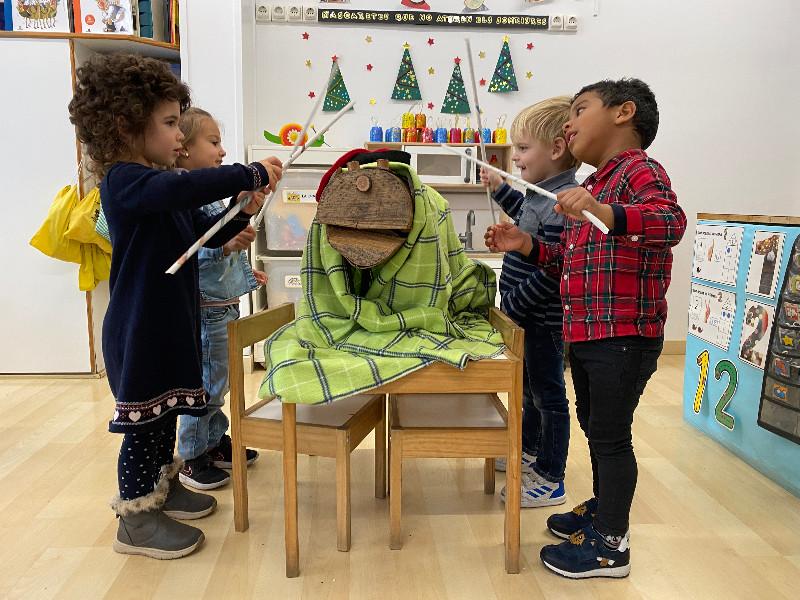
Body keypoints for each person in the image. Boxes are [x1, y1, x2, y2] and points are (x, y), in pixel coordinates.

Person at [68, 53, 282, 559]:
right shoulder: (126, 182)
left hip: (169, 326)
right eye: (169, 124)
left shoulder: (157, 187)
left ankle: (162, 490)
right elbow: (182, 186)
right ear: (125, 127)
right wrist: (246, 172)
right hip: (140, 331)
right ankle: (136, 520)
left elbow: (204, 233)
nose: (179, 138)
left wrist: (241, 211)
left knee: (165, 421)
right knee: (144, 429)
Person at [485, 78, 687, 578]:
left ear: (623, 112)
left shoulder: (638, 170)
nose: (570, 122)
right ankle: (602, 509)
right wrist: (526, 245)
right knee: (595, 427)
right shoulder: (593, 185)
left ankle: (610, 545)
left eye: (580, 109)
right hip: (591, 334)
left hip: (624, 335)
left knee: (611, 437)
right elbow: (567, 259)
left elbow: (671, 222)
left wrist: (602, 211)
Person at [480, 96, 578, 508]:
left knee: (548, 396)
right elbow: (525, 216)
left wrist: (514, 305)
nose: (516, 157)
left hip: (541, 319)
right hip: (526, 316)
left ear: (555, 149)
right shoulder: (542, 195)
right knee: (528, 390)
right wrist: (501, 189)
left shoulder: (564, 202)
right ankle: (533, 451)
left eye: (522, 148)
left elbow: (554, 269)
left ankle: (552, 476)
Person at [174, 107, 266, 490]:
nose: (222, 151)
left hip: (224, 306)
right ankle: (192, 456)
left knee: (222, 382)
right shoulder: (185, 202)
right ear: (183, 149)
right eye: (213, 142)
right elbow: (191, 256)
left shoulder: (210, 200)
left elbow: (224, 249)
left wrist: (245, 273)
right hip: (207, 310)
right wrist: (225, 246)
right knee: (207, 385)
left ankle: (213, 441)